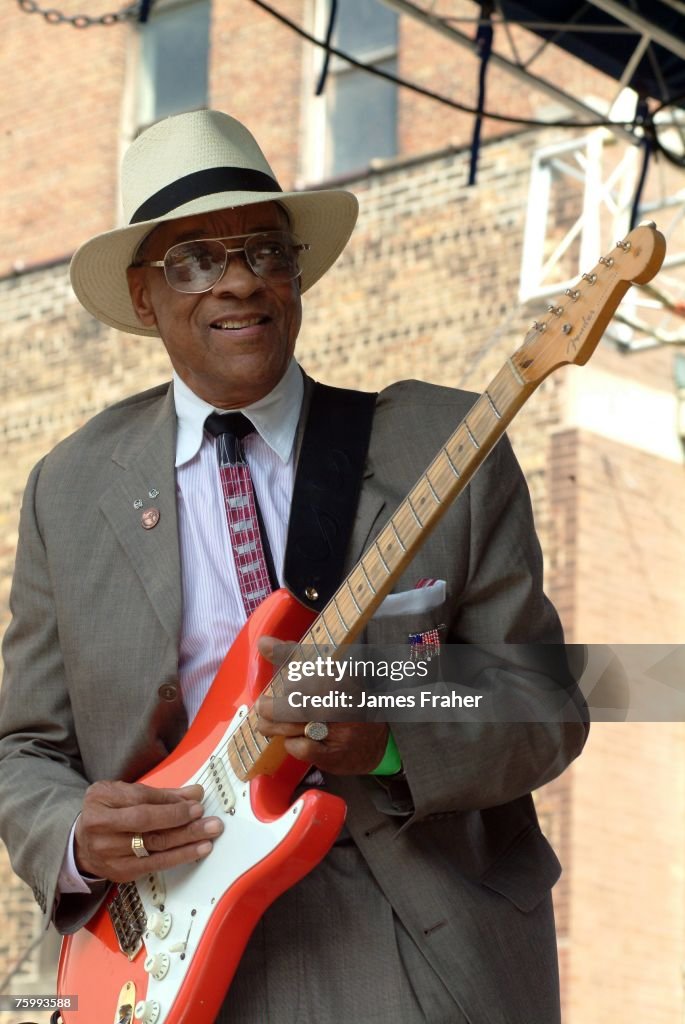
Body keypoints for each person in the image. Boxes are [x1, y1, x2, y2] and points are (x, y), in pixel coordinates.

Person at [0, 109, 588, 1024]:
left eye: (264, 251)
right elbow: (23, 749)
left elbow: (541, 699)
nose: (239, 280)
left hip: (415, 942)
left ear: (297, 272)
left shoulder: (446, 443)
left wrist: (388, 730)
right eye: (194, 259)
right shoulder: (67, 492)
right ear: (143, 296)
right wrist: (74, 832)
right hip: (171, 957)